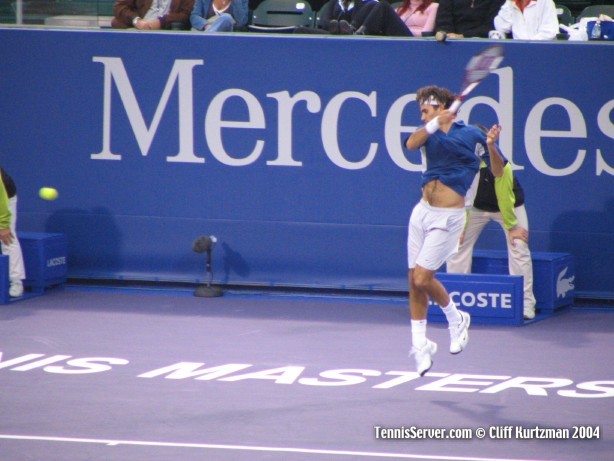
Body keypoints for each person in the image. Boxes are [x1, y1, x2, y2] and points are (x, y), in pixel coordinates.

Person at [404, 86, 482, 376]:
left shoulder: (471, 134)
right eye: (421, 109)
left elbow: (497, 170)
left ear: (442, 107)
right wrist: (435, 122)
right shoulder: (427, 132)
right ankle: (420, 345)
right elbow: (411, 144)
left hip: (448, 217)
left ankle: (456, 317)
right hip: (422, 213)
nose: (423, 113)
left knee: (424, 277)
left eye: (427, 108)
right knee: (414, 280)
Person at [446, 125, 537, 320]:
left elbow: (505, 198)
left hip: (509, 207)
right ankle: (455, 303)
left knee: (519, 245)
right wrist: (460, 229)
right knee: (455, 244)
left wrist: (512, 227)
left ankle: (525, 303)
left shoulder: (499, 164)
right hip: (476, 208)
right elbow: (463, 198)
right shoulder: (463, 166)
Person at [315, 0, 414, 36]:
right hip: (345, 37)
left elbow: (426, 32)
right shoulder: (333, 4)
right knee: (300, 30)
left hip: (412, 40)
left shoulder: (369, 4)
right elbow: (324, 23)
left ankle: (353, 29)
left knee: (382, 5)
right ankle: (350, 31)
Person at [0, 167, 26, 298]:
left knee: (7, 237)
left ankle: (16, 281)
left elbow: (1, 198)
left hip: (4, 196)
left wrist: (3, 225)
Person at [435, 0, 505, 38]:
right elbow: (443, 22)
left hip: (482, 42)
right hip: (451, 42)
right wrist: (447, 35)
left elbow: (492, 25)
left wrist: (464, 36)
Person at [493, 0, 558, 40]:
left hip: (542, 51)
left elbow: (550, 32)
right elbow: (501, 27)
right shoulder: (511, 3)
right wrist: (508, 3)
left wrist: (527, 46)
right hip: (518, 52)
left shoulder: (546, 2)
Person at [112, 0, 195, 30]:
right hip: (139, 25)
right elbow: (120, 6)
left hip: (167, 27)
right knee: (117, 22)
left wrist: (161, 22)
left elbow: (186, 14)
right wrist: (136, 20)